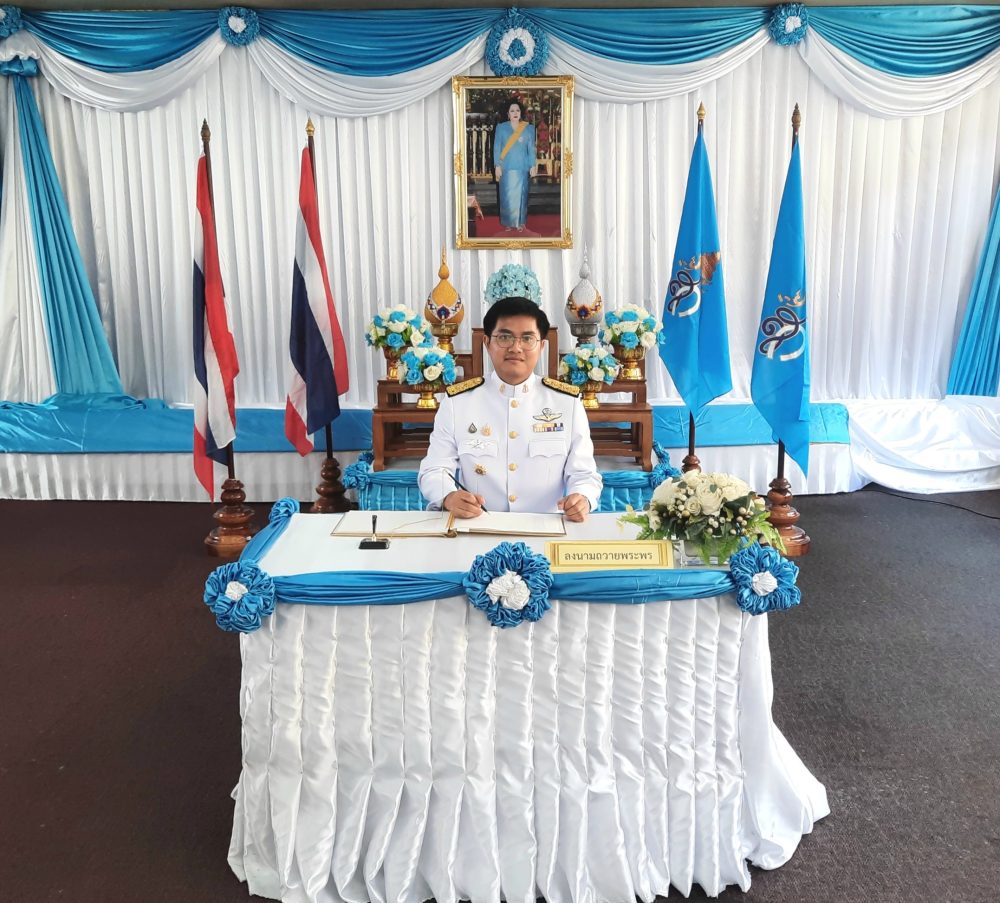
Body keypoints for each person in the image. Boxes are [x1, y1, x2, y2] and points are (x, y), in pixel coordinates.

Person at [418, 297, 602, 522]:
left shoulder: (566, 403)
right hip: (478, 527)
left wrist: (582, 497)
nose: (516, 348)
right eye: (504, 337)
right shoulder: (458, 403)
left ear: (541, 346)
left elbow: (584, 474)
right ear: (487, 343)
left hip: (546, 528)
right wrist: (448, 496)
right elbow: (434, 469)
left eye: (527, 338)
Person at [493, 99, 537, 233]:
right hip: (506, 168)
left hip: (522, 168)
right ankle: (508, 222)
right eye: (512, 111)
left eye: (517, 110)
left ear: (521, 113)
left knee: (521, 197)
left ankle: (520, 222)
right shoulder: (501, 128)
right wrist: (497, 165)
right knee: (507, 197)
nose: (515, 113)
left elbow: (531, 149)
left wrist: (533, 165)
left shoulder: (529, 128)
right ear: (508, 114)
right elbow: (497, 148)